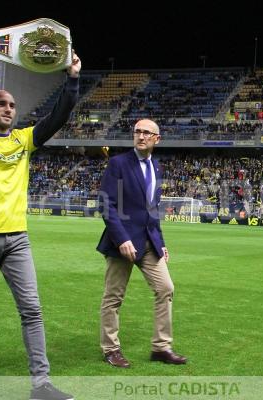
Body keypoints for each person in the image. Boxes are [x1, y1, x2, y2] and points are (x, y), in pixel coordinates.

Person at [0, 29, 80, 400]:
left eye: (12, 105)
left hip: (16, 238)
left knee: (32, 310)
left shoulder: (24, 139)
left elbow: (58, 117)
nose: (10, 108)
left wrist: (71, 80)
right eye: (2, 104)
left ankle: (40, 385)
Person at [97, 118, 187, 368]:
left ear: (157, 139)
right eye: (137, 131)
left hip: (149, 243)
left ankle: (161, 347)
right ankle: (110, 349)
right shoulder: (118, 163)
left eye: (147, 133)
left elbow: (152, 210)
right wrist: (122, 238)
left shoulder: (156, 167)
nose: (141, 136)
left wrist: (161, 241)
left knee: (165, 288)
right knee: (113, 297)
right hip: (121, 243)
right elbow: (106, 204)